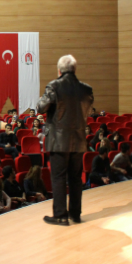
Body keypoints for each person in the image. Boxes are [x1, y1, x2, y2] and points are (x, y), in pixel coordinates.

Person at [38, 54, 93, 226]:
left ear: (59, 70)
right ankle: (75, 214)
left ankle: (61, 215)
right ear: (74, 69)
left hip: (58, 140)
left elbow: (41, 107)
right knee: (76, 178)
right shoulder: (86, 89)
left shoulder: (54, 86)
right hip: (78, 139)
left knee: (59, 177)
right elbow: (86, 111)